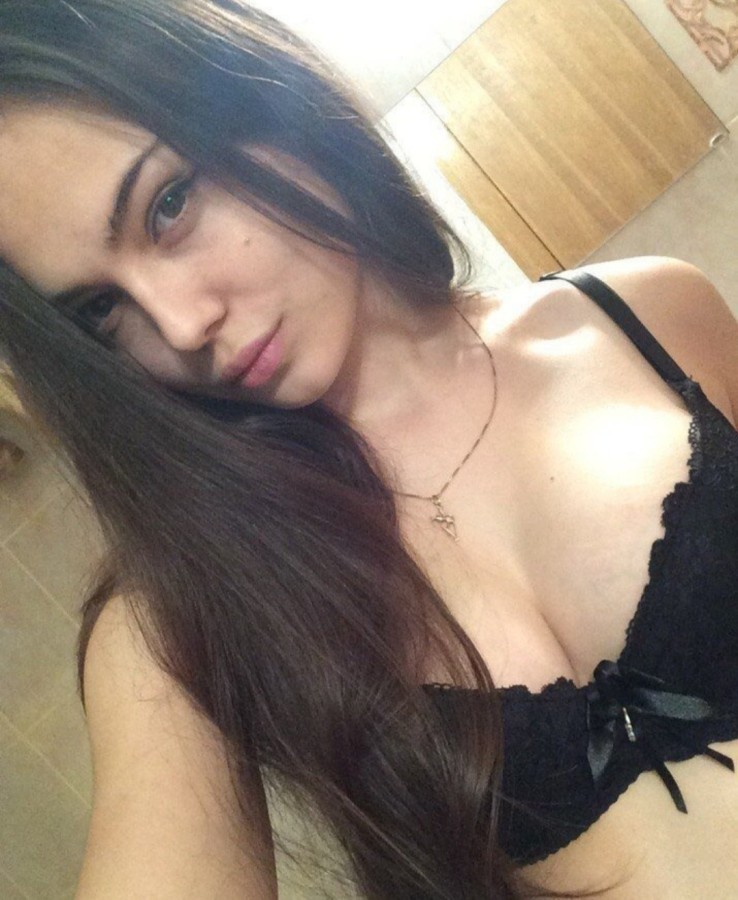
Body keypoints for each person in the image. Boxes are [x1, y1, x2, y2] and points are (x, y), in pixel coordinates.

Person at [0, 2, 737, 897]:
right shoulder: (183, 606)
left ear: (264, 99)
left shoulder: (649, 315)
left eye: (168, 204)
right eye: (100, 309)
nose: (181, 325)